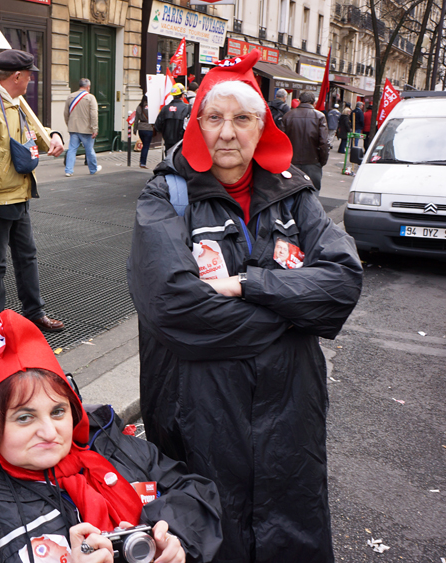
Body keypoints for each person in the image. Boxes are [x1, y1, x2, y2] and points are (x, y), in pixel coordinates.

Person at [127, 49, 363, 562]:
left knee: (289, 533)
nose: (227, 132)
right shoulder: (164, 198)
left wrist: (254, 286)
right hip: (199, 415)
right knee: (211, 535)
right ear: (196, 126)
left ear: (263, 127)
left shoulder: (296, 196)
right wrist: (290, 314)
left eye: (242, 118)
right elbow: (173, 307)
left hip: (290, 415)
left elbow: (342, 283)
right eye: (214, 118)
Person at [0, 309, 224, 563]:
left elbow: (196, 493)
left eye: (58, 412)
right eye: (24, 417)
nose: (49, 432)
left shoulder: (111, 445)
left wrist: (174, 538)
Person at [0, 50, 66, 334]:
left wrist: (53, 135)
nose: (31, 80)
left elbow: (33, 133)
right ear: (17, 76)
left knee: (27, 256)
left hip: (19, 193)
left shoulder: (15, 101)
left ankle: (34, 313)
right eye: (30, 75)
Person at [283, 90, 329, 190]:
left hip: (291, 162)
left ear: (300, 101)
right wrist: (322, 161)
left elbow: (281, 141)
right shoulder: (319, 116)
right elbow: (324, 142)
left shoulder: (288, 116)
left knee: (291, 193)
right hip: (312, 161)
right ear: (313, 102)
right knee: (312, 193)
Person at [64, 78, 101, 177]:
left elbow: (65, 113)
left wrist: (69, 124)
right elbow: (94, 114)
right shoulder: (90, 98)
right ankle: (93, 169)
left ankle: (69, 170)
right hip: (86, 129)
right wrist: (95, 128)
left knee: (72, 149)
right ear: (88, 87)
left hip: (73, 128)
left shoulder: (70, 96)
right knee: (89, 150)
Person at [154, 84, 190, 156]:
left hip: (168, 143)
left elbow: (157, 126)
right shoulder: (187, 108)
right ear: (182, 95)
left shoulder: (165, 109)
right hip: (181, 144)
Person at [132, 95, 154, 169]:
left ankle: (141, 161)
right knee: (146, 146)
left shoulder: (139, 107)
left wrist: (135, 129)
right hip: (149, 128)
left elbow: (136, 119)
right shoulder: (151, 107)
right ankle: (143, 163)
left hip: (141, 128)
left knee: (144, 145)